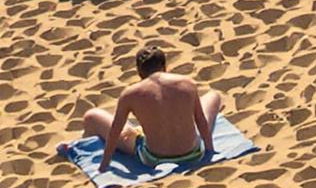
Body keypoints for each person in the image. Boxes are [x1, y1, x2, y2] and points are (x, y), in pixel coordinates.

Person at [67, 47, 224, 167]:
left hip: (153, 158)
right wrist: (209, 151)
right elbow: (201, 122)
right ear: (164, 67)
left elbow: (115, 131)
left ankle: (83, 143)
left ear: (139, 71)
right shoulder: (187, 83)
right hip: (193, 153)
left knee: (92, 116)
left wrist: (105, 163)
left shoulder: (130, 93)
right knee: (213, 96)